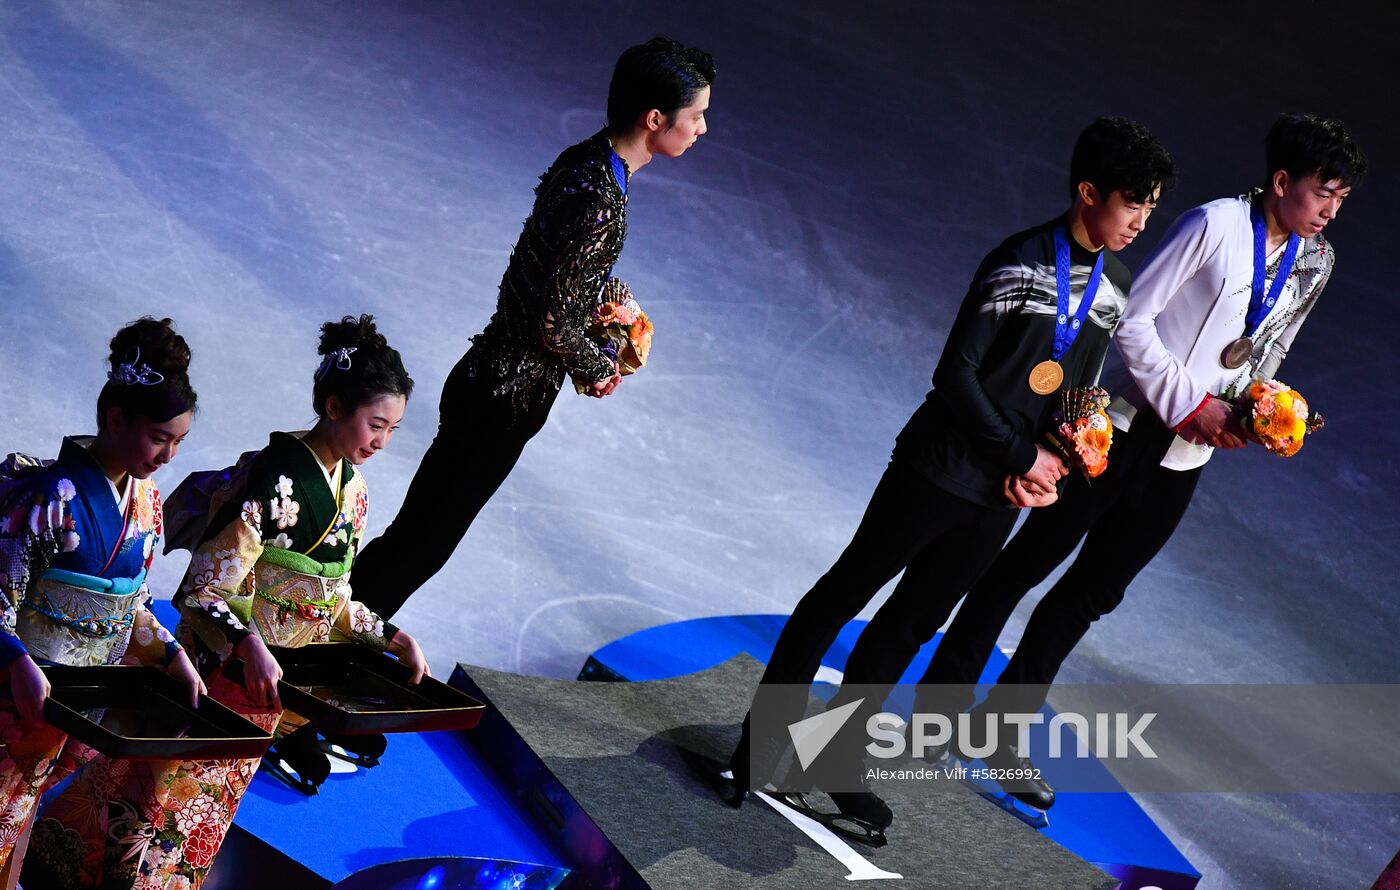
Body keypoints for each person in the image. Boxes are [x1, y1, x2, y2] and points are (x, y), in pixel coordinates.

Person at [726, 118, 1176, 840]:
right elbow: (955, 375)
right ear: (1088, 192)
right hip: (936, 472)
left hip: (999, 498)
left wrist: (1056, 463)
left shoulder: (1115, 285)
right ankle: (754, 750)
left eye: (1151, 208)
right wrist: (1018, 455)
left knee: (911, 625)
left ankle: (836, 762)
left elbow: (1080, 393)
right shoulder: (1017, 264)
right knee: (842, 596)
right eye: (1133, 204)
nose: (1141, 222)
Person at [915, 113, 1367, 813]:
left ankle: (997, 729)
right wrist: (1192, 401)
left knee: (1092, 593)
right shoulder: (1212, 225)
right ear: (1282, 182)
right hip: (1123, 429)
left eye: (1342, 197)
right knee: (1022, 566)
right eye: (1322, 192)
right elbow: (1131, 321)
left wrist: (1258, 408)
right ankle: (938, 713)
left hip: (1185, 456)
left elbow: (1270, 349)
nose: (1332, 210)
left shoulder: (1317, 261)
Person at [38, 315, 427, 888]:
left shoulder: (355, 492)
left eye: (392, 429)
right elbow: (204, 588)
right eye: (376, 424)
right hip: (221, 672)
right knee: (151, 798)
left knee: (204, 813)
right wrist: (248, 642)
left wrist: (388, 635)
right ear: (335, 406)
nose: (381, 441)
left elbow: (334, 596)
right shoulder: (272, 478)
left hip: (277, 682)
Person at [349, 36, 714, 620]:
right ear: (655, 119)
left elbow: (546, 273)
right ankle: (311, 646)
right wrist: (600, 367)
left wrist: (605, 305)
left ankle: (320, 636)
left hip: (487, 376)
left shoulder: (589, 160)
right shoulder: (602, 200)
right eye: (695, 116)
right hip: (505, 399)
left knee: (417, 537)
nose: (701, 129)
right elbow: (552, 322)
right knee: (420, 546)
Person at [1, 317, 205, 888]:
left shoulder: (147, 505)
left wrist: (170, 654)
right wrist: (15, 660)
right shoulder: (51, 498)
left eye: (179, 442)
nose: (168, 455)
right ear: (115, 420)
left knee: (23, 817)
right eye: (160, 438)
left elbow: (133, 605)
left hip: (82, 699)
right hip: (21, 692)